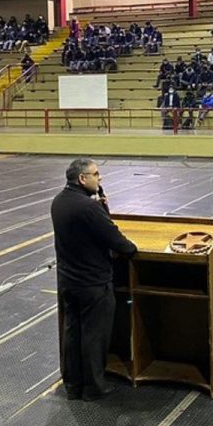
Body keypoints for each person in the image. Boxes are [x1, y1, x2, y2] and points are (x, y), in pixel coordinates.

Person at [50, 158, 138, 401]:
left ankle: (73, 385)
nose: (100, 179)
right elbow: (113, 237)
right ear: (82, 179)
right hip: (93, 283)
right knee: (94, 337)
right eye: (96, 175)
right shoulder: (88, 207)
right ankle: (94, 387)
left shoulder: (59, 201)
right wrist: (131, 250)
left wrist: (100, 206)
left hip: (68, 280)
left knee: (72, 333)